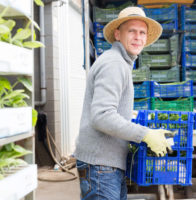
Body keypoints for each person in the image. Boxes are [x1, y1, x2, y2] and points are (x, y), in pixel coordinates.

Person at [74, 6, 173, 200]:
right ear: (118, 34)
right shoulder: (114, 64)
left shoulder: (120, 62)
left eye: (142, 32)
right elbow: (102, 116)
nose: (138, 37)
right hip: (101, 168)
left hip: (104, 167)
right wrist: (144, 134)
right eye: (132, 31)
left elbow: (112, 109)